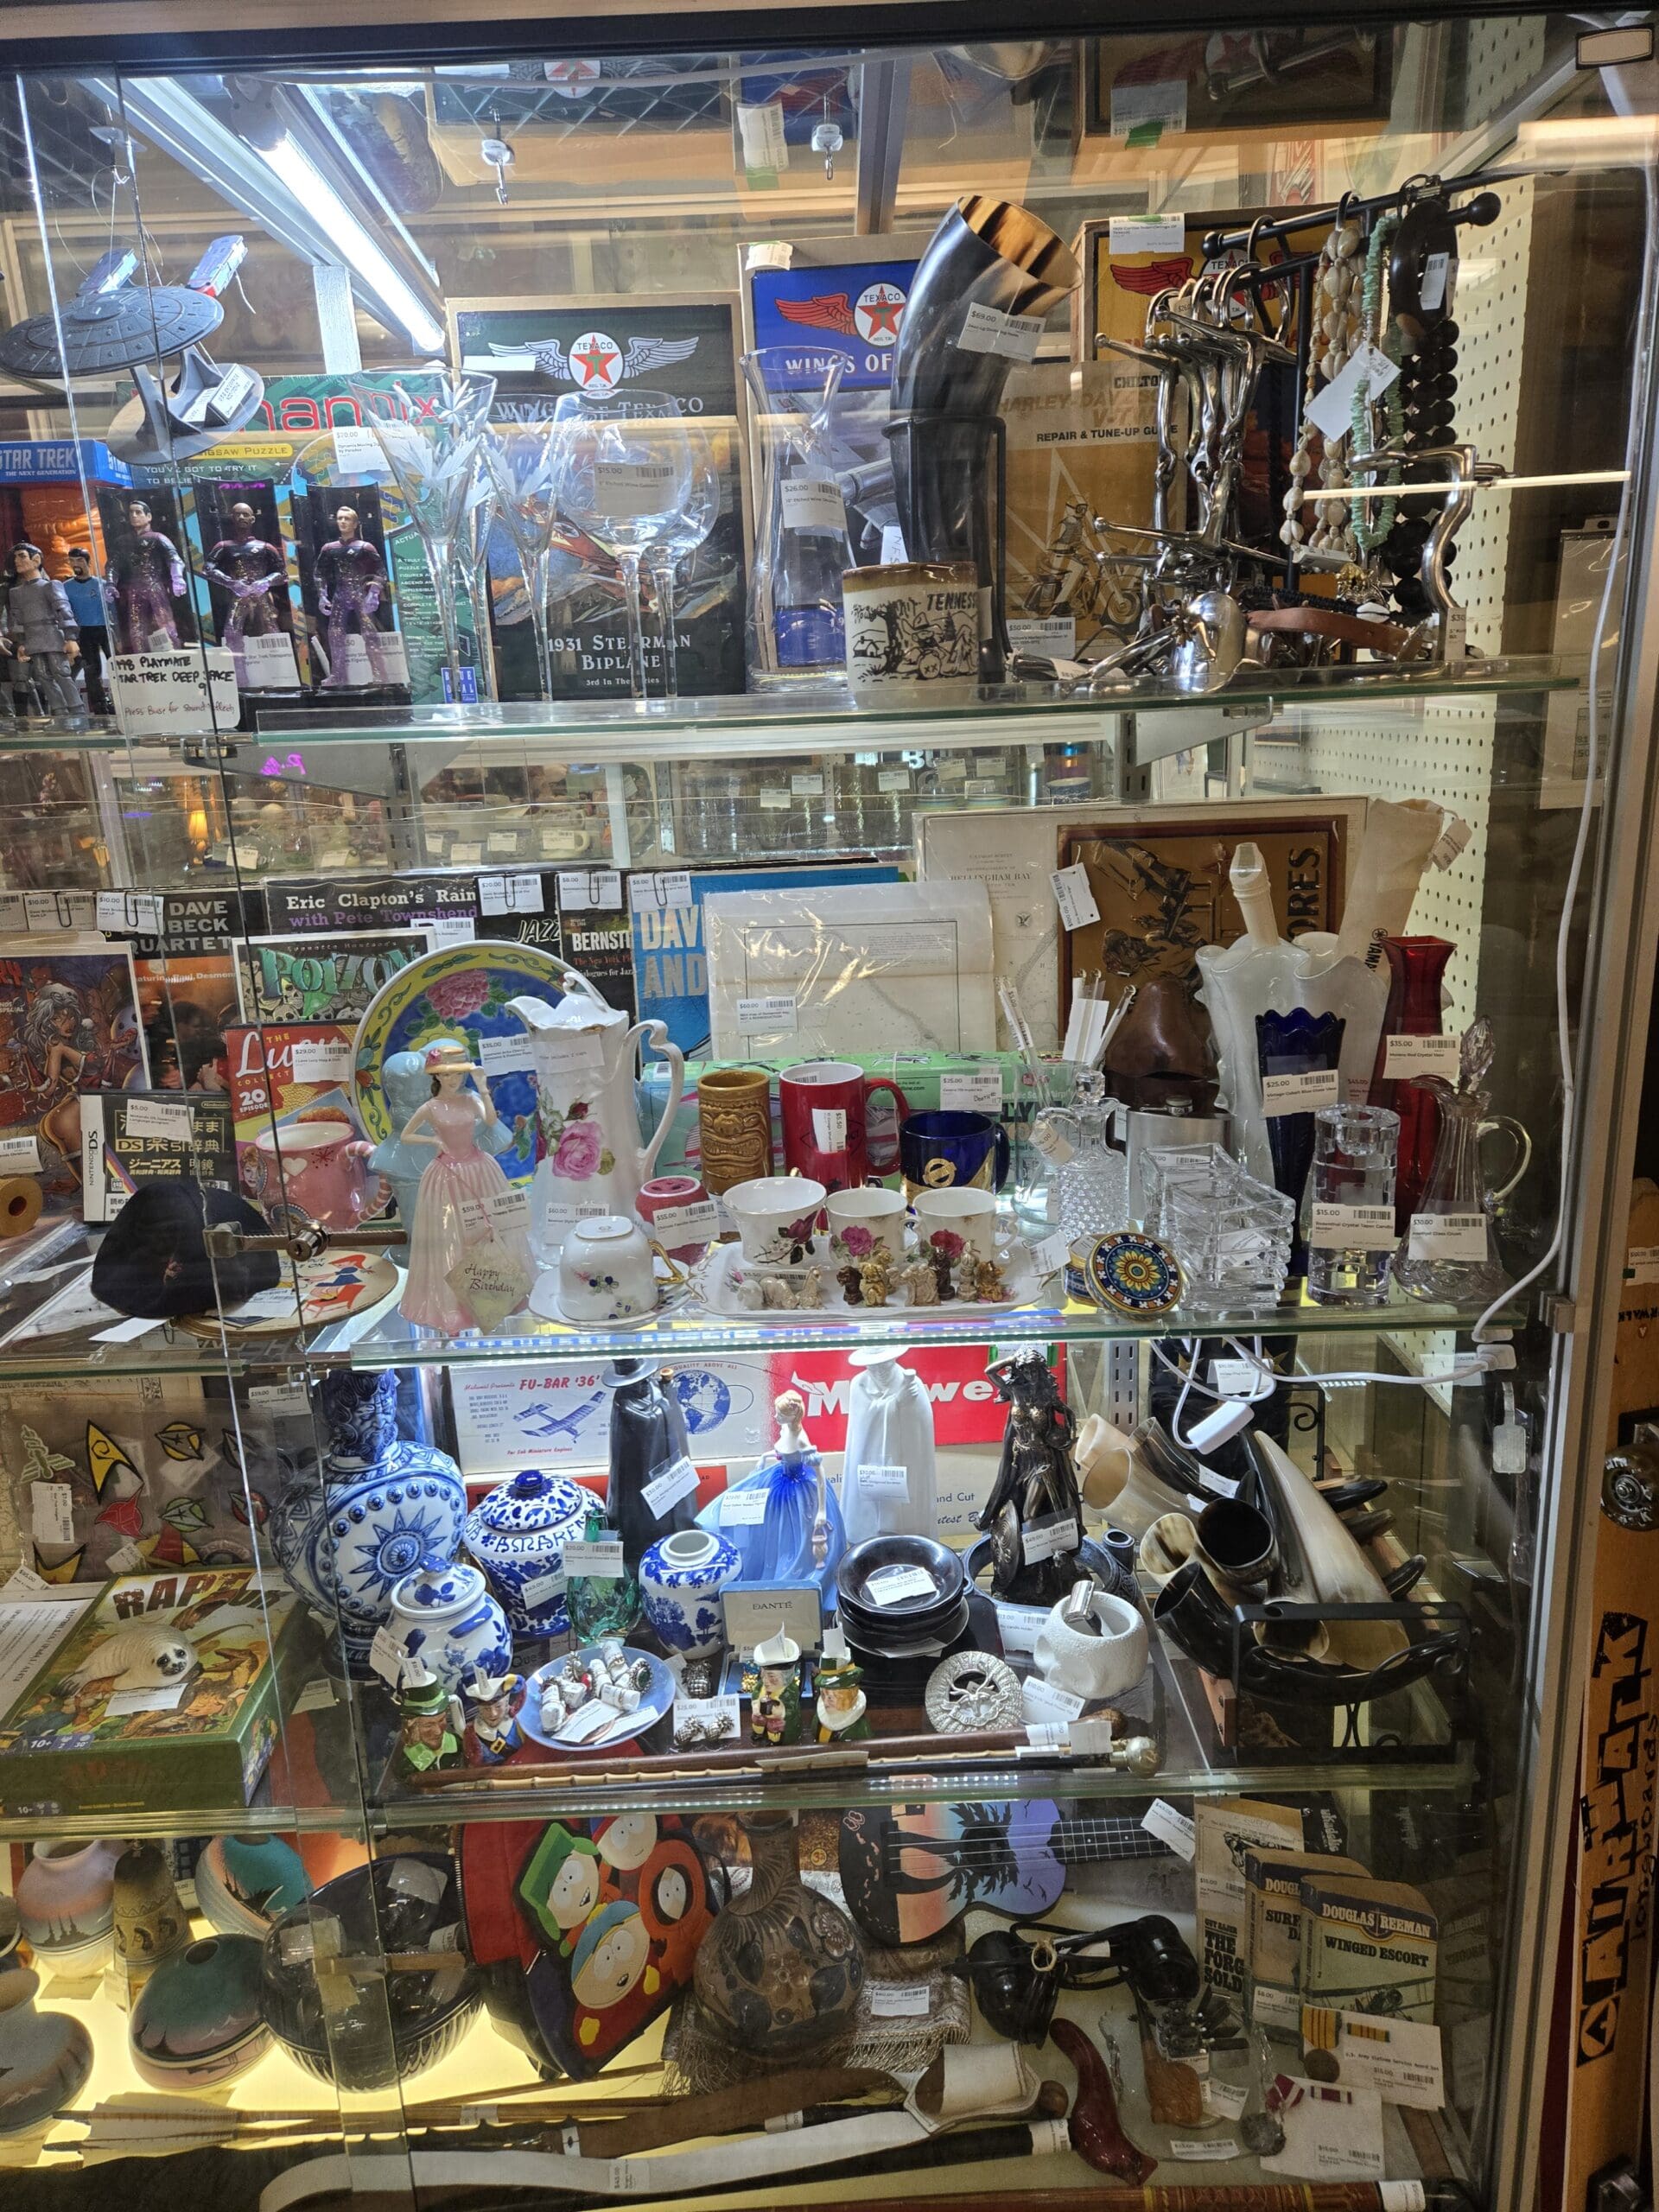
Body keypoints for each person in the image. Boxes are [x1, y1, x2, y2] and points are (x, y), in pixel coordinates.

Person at [2, 542, 81, 721]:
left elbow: (63, 611)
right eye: (15, 557)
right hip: (32, 638)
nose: (17, 561)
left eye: (22, 556)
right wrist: (22, 643)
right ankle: (60, 714)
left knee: (61, 673)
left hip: (52, 633)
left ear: (36, 559)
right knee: (43, 676)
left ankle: (78, 713)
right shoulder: (15, 592)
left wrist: (71, 638)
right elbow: (17, 619)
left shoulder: (51, 585)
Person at [315, 503, 391, 688]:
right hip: (340, 594)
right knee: (334, 633)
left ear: (355, 524)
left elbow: (381, 572)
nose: (342, 522)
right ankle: (337, 675)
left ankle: (379, 675)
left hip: (360, 593)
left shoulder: (365, 547)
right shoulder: (329, 548)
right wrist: (322, 595)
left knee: (369, 632)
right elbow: (319, 573)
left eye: (347, 519)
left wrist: (373, 593)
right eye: (339, 518)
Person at [109, 497, 186, 653]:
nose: (134, 516)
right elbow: (112, 565)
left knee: (165, 621)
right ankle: (141, 659)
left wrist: (177, 578)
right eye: (131, 513)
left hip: (154, 585)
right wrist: (110, 583)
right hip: (134, 588)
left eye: (138, 512)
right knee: (136, 628)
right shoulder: (122, 541)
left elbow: (174, 559)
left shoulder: (158, 538)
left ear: (148, 516)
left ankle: (175, 654)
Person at [62, 547, 111, 715]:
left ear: (88, 562)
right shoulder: (66, 587)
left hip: (105, 629)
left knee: (116, 665)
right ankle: (100, 707)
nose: (75, 564)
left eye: (80, 560)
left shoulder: (101, 584)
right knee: (91, 670)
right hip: (83, 632)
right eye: (72, 561)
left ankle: (123, 699)